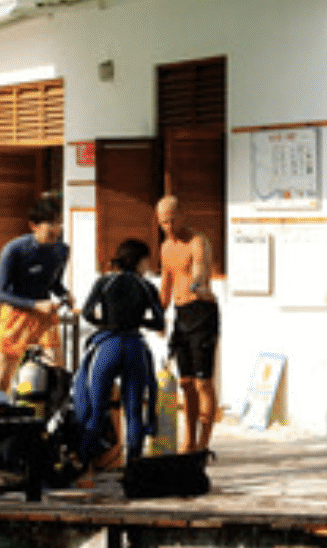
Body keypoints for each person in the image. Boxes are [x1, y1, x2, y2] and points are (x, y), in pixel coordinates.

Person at [75, 237, 165, 471]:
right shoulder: (147, 287)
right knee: (134, 412)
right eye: (147, 261)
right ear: (139, 262)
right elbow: (158, 322)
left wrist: (106, 323)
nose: (149, 266)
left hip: (108, 345)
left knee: (96, 411)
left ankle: (83, 466)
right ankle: (133, 469)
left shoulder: (104, 282)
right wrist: (137, 321)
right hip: (134, 346)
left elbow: (86, 313)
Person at [157, 196, 219, 455]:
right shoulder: (166, 248)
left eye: (172, 220)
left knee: (203, 383)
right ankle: (189, 439)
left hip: (202, 311)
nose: (169, 227)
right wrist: (157, 315)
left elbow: (200, 269)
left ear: (182, 215)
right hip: (181, 314)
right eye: (163, 222)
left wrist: (197, 283)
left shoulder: (198, 241)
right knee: (185, 382)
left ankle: (204, 442)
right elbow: (166, 284)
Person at [0, 193, 71, 395]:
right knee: (2, 381)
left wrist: (65, 295)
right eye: (50, 224)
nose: (56, 229)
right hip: (15, 317)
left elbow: (54, 283)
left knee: (57, 373)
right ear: (34, 226)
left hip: (43, 318)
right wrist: (34, 304)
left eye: (58, 223)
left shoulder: (62, 251)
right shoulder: (14, 250)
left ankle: (51, 420)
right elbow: (1, 293)